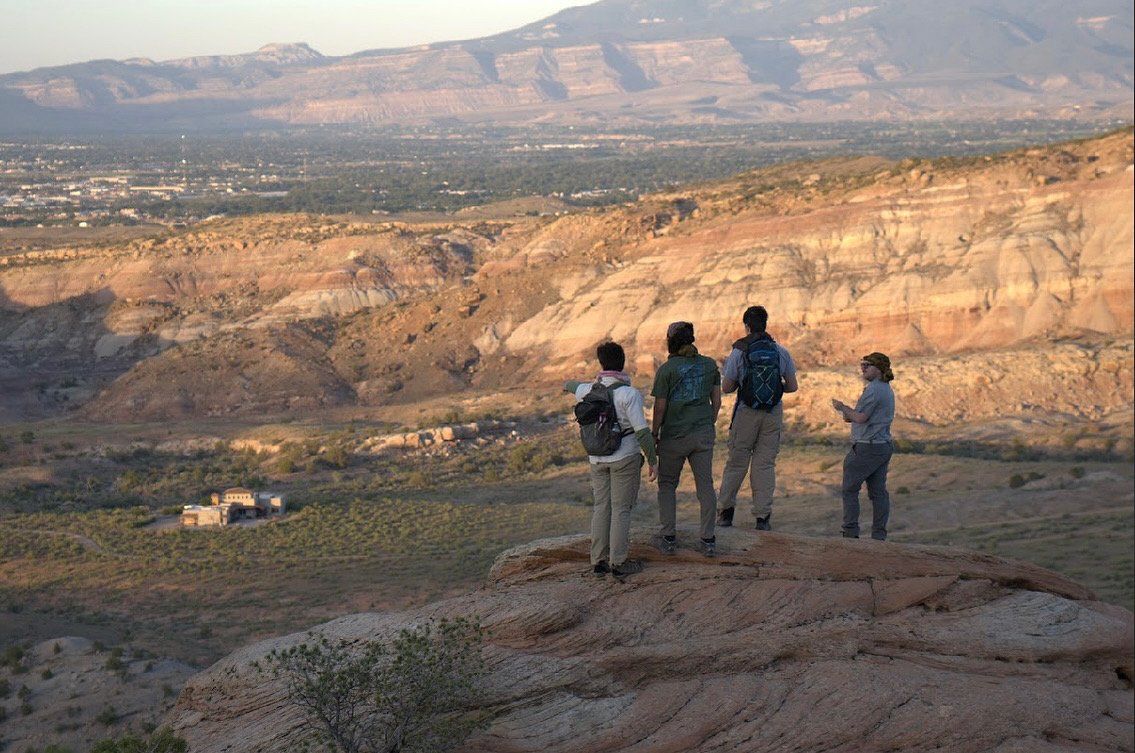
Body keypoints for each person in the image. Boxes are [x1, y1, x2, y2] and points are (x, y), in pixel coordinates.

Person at [565, 341, 658, 578]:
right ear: (623, 363)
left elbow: (570, 385)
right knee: (621, 510)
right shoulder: (629, 394)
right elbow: (642, 431)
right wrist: (652, 460)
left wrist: (569, 385)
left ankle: (598, 561)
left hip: (596, 459)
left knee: (601, 508)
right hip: (624, 457)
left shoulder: (589, 390)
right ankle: (619, 562)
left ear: (601, 363)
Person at [716, 305, 799, 531]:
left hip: (746, 412)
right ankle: (762, 517)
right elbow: (792, 386)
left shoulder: (740, 351)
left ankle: (725, 513)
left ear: (747, 326)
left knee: (736, 463)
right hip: (772, 413)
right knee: (764, 465)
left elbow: (727, 387)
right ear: (766, 323)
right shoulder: (780, 351)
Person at [650, 321, 722, 557]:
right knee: (706, 485)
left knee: (668, 485)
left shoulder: (666, 370)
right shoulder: (710, 365)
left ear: (670, 342)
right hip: (702, 434)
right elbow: (717, 402)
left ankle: (669, 538)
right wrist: (706, 424)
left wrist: (654, 434)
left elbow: (660, 408)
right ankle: (708, 540)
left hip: (674, 437)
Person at [831, 352, 896, 540]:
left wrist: (842, 407)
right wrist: (849, 414)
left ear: (879, 369)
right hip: (882, 446)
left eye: (867, 365)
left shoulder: (874, 389)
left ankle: (850, 533)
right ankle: (879, 535)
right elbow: (857, 417)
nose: (863, 368)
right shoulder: (884, 388)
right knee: (878, 493)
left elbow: (860, 417)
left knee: (849, 490)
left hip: (867, 447)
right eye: (862, 365)